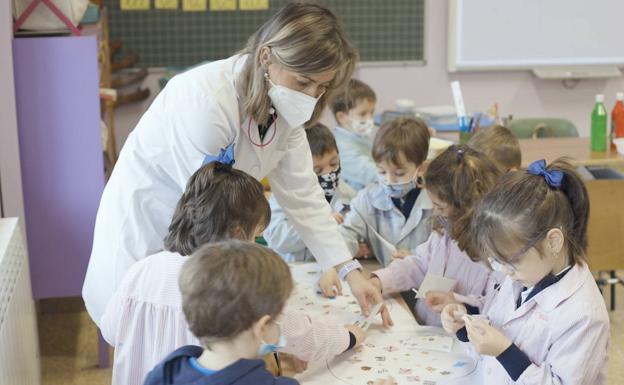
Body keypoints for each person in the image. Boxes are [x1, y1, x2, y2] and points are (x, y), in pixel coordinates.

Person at [83, 2, 390, 328]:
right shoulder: (206, 100)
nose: (311, 96)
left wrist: (350, 271)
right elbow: (213, 213)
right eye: (303, 82)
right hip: (150, 237)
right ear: (266, 57)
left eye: (321, 87)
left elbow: (304, 198)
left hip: (200, 246)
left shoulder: (283, 111)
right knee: (154, 348)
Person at [100, 162, 366, 385]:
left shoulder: (143, 269)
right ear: (238, 236)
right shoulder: (231, 282)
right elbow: (300, 332)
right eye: (255, 237)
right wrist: (350, 336)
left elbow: (111, 331)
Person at [441, 159, 610, 385]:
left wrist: (505, 352)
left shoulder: (585, 316)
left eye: (510, 262)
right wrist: (466, 321)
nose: (505, 273)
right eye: (498, 262)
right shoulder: (525, 272)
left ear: (553, 242)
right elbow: (501, 322)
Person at [369, 145, 501, 326]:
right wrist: (380, 281)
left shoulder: (494, 253)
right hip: (427, 332)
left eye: (440, 207)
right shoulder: (444, 234)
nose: (436, 213)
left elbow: (497, 306)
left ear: (467, 207)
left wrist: (458, 302)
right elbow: (419, 265)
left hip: (461, 342)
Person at [338, 117, 433, 266]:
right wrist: (342, 254)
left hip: (425, 283)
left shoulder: (436, 202)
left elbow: (449, 252)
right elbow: (346, 235)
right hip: (385, 282)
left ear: (420, 168)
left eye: (399, 173)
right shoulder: (367, 198)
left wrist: (418, 258)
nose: (389, 180)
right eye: (382, 172)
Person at [264, 123, 356, 262]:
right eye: (317, 171)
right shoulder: (283, 194)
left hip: (331, 271)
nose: (328, 173)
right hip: (291, 269)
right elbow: (277, 238)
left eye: (334, 163)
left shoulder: (349, 195)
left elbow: (352, 240)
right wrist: (321, 225)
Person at [330, 79, 378, 191]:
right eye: (363, 114)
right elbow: (369, 173)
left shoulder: (357, 135)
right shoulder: (341, 145)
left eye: (372, 112)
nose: (370, 118)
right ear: (342, 117)